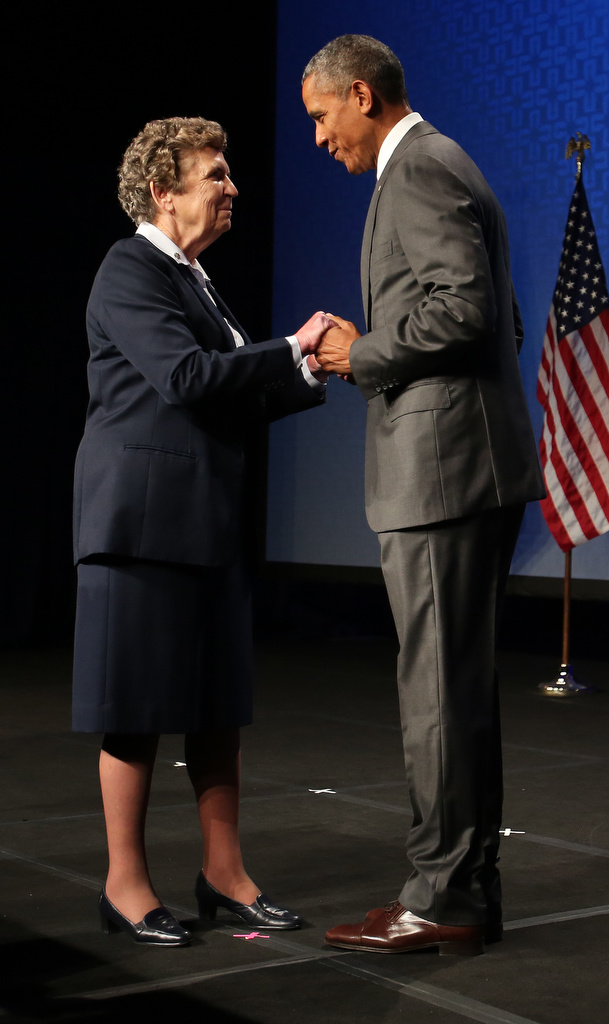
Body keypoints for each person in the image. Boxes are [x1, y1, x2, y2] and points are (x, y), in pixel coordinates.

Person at [302, 35, 545, 955]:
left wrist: (359, 352)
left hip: (442, 476)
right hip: (464, 463)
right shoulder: (445, 164)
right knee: (457, 690)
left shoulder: (418, 169)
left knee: (438, 694)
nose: (321, 138)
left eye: (322, 117)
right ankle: (461, 891)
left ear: (360, 96)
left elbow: (472, 311)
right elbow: (495, 316)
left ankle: (442, 897)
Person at [72, 116, 333, 946]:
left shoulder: (198, 280)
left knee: (218, 708)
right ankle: (125, 885)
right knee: (138, 707)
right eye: (215, 174)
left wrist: (311, 369)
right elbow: (187, 379)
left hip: (207, 519)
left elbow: (232, 390)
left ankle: (225, 876)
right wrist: (290, 344)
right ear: (163, 190)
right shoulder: (130, 267)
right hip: (143, 522)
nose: (232, 187)